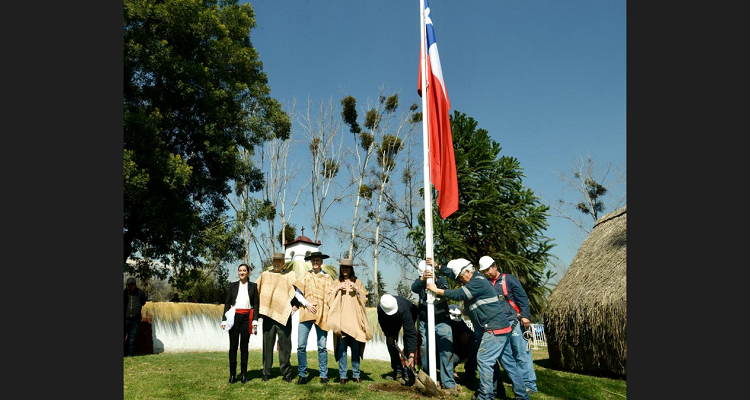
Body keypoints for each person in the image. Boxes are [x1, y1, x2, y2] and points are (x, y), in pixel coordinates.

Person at [426, 258, 529, 400]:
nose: (461, 281)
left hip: (494, 328)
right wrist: (438, 266)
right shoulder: (472, 278)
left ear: (468, 271)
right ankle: (518, 395)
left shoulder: (477, 282)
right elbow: (454, 275)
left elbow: (458, 294)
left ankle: (485, 396)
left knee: (484, 360)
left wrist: (437, 290)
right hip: (499, 327)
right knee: (508, 364)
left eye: (462, 277)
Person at [478, 255, 538, 395]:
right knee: (506, 355)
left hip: (514, 321)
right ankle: (519, 384)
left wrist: (525, 316)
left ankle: (529, 385)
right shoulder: (486, 283)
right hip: (498, 324)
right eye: (484, 271)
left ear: (495, 266)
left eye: (488, 269)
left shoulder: (508, 279)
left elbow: (522, 297)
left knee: (522, 354)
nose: (487, 273)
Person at [410, 260, 457, 396]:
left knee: (446, 350)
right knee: (425, 348)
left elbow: (446, 291)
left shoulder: (441, 280)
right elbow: (414, 288)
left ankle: (448, 383)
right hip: (425, 321)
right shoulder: (420, 283)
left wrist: (435, 280)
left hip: (442, 320)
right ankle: (429, 378)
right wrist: (422, 279)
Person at [326, 258, 373, 385]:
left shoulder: (358, 282)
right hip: (341, 321)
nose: (345, 269)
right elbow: (328, 300)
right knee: (341, 349)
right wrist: (337, 289)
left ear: (351, 269)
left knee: (355, 349)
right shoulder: (336, 282)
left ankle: (356, 374)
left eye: (347, 267)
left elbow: (364, 299)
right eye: (343, 267)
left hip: (355, 322)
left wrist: (357, 289)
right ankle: (343, 376)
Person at [292, 251, 335, 385]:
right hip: (306, 312)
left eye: (318, 260)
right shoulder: (306, 275)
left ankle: (323, 375)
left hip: (322, 314)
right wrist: (307, 304)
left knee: (322, 346)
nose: (315, 262)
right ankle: (302, 375)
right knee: (301, 346)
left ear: (321, 262)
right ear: (311, 262)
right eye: (313, 260)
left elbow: (332, 296)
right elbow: (297, 294)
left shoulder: (328, 278)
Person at [256, 252, 299, 382]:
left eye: (279, 261)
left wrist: (296, 304)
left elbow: (298, 291)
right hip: (268, 315)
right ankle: (266, 373)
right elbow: (254, 289)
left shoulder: (290, 276)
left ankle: (286, 374)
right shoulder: (265, 275)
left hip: (284, 316)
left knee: (285, 347)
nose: (276, 264)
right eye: (275, 261)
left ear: (283, 263)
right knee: (267, 346)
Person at [221, 263, 260, 384]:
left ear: (248, 272)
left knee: (244, 347)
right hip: (234, 317)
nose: (241, 272)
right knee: (233, 347)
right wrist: (224, 319)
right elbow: (227, 303)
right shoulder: (232, 286)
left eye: (244, 270)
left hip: (247, 318)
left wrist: (255, 319)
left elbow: (256, 304)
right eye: (240, 271)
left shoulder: (253, 286)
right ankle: (232, 375)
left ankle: (243, 375)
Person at [377, 294, 419, 388]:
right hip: (392, 321)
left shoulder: (404, 309)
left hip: (411, 313)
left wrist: (412, 355)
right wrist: (388, 334)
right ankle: (398, 371)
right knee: (391, 343)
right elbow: (382, 322)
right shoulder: (380, 308)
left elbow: (410, 334)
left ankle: (409, 373)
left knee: (407, 341)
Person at [447, 304, 478, 386]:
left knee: (473, 350)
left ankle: (470, 377)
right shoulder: (444, 325)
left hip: (460, 352)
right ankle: (450, 373)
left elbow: (471, 337)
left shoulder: (462, 325)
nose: (454, 322)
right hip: (448, 352)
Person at [124, 277, 148, 357]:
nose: (129, 287)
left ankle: (130, 354)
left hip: (135, 319)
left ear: (134, 285)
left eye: (131, 285)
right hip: (125, 318)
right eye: (128, 285)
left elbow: (143, 302)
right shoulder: (124, 293)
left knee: (132, 337)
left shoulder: (140, 293)